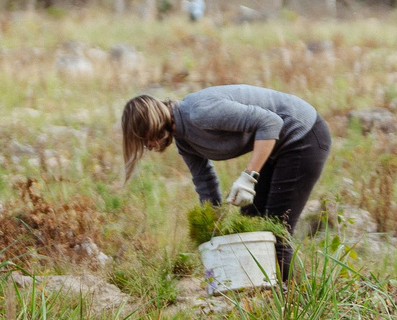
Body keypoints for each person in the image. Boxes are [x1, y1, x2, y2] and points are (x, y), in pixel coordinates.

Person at [121, 85, 334, 236]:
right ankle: (260, 288)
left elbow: (270, 123)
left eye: (144, 140)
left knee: (275, 231)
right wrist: (212, 227)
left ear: (152, 124)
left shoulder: (199, 112)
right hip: (278, 147)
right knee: (250, 221)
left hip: (303, 134)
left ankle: (291, 289)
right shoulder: (184, 140)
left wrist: (248, 177)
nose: (148, 147)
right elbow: (205, 182)